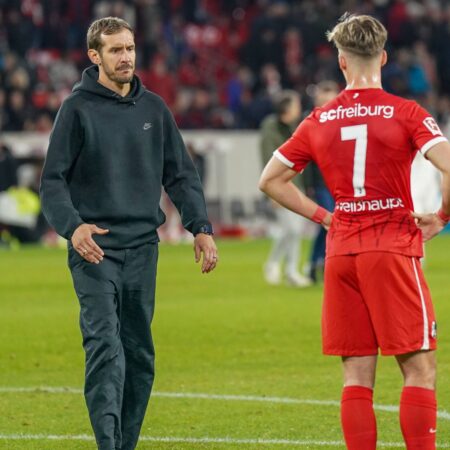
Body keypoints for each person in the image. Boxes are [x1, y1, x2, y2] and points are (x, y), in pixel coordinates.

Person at [259, 13, 450, 450]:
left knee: (356, 377)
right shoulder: (406, 112)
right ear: (382, 57)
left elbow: (270, 180)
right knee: (419, 369)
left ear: (341, 61)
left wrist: (326, 218)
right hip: (392, 248)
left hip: (342, 252)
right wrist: (441, 215)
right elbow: (448, 164)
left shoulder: (318, 120)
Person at [40, 17, 218, 450]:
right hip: (95, 250)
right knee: (105, 347)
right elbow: (52, 181)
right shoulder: (76, 108)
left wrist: (201, 228)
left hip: (143, 249)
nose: (126, 57)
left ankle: (124, 444)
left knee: (139, 356)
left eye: (130, 48)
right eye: (116, 50)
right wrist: (73, 226)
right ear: (94, 55)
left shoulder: (154, 109)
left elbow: (180, 175)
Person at [260, 90, 312, 287]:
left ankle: (283, 267)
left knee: (294, 229)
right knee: (291, 229)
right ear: (288, 107)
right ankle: (282, 267)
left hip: (295, 185)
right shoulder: (270, 127)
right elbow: (267, 157)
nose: (299, 108)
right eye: (296, 104)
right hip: (278, 186)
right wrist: (271, 190)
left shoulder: (295, 126)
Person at [303, 80, 339, 282]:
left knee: (325, 225)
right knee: (330, 222)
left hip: (337, 183)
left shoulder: (343, 120)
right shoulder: (311, 123)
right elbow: (305, 158)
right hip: (320, 183)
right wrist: (308, 186)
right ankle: (324, 263)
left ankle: (314, 263)